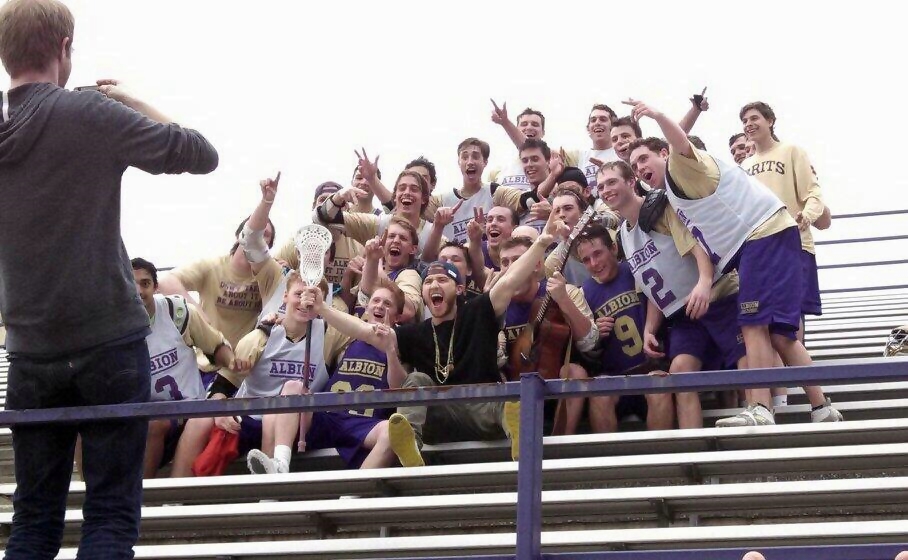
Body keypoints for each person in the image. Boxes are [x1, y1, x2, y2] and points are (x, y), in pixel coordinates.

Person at [0, 0, 218, 556]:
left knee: (32, 521)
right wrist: (123, 98)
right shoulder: (89, 114)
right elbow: (199, 151)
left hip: (30, 348)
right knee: (111, 516)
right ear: (64, 49)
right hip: (107, 342)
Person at [623, 98, 841, 426]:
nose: (639, 168)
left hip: (762, 234)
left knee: (751, 323)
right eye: (634, 165)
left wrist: (656, 115)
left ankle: (760, 409)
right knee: (781, 335)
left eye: (643, 158)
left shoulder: (680, 165)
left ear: (664, 154)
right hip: (767, 237)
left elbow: (678, 139)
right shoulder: (672, 192)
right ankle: (822, 407)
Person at [600, 159, 748, 430]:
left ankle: (759, 422)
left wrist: (704, 282)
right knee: (680, 372)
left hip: (715, 297)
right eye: (600, 186)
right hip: (682, 314)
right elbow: (653, 284)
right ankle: (692, 451)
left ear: (631, 181)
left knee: (744, 360)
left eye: (612, 182)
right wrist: (649, 328)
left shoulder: (659, 209)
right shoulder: (622, 235)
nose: (605, 189)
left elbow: (697, 246)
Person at [169, 273, 330, 477]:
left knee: (290, 393)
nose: (305, 302)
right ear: (285, 296)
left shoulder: (328, 334)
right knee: (199, 420)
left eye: (313, 297)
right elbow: (223, 384)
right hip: (251, 416)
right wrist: (222, 410)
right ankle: (174, 495)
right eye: (299, 294)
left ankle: (270, 487)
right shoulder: (260, 336)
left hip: (297, 422)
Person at [246, 280, 408, 473]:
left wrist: (391, 352)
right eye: (376, 300)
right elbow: (315, 326)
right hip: (329, 416)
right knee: (291, 389)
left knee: (392, 433)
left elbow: (398, 387)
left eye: (387, 304)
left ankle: (353, 497)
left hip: (364, 422)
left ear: (398, 316)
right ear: (366, 305)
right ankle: (279, 464)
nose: (380, 306)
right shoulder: (346, 337)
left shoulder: (400, 341)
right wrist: (279, 319)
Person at [740, 101, 834, 411]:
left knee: (784, 329)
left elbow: (814, 192)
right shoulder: (744, 167)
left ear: (770, 121)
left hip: (791, 244)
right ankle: (792, 404)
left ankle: (796, 404)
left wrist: (806, 214)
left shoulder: (792, 151)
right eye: (744, 120)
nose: (749, 124)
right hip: (758, 250)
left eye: (755, 118)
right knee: (761, 328)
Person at [562, 223, 671, 434]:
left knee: (659, 385)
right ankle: (606, 464)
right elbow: (587, 350)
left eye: (598, 254)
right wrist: (594, 332)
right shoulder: (584, 292)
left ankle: (661, 461)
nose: (594, 263)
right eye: (586, 259)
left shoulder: (636, 270)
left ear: (613, 249)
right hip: (613, 377)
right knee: (600, 393)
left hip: (650, 366)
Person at [131, 258, 233, 478]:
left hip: (186, 410)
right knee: (88, 423)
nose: (139, 291)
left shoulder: (176, 311)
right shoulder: (114, 327)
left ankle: (140, 500)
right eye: (132, 284)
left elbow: (215, 346)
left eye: (145, 283)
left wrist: (234, 363)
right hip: (141, 417)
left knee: (154, 425)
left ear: (156, 287)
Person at [497, 236, 598, 381]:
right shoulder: (496, 303)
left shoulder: (565, 291)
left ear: (537, 264)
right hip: (513, 385)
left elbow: (589, 342)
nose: (511, 267)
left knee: (574, 372)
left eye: (518, 260)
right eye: (504, 262)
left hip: (557, 382)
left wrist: (563, 298)